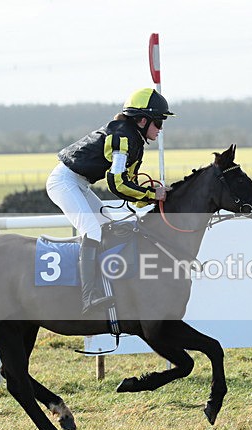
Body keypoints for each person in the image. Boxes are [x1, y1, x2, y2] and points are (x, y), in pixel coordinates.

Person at [46, 88, 174, 315]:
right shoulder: (122, 138)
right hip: (64, 182)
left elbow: (130, 183)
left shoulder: (134, 140)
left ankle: (106, 285)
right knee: (93, 230)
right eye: (158, 123)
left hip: (79, 183)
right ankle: (88, 297)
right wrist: (151, 195)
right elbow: (117, 184)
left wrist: (150, 193)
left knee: (108, 226)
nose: (161, 129)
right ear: (142, 120)